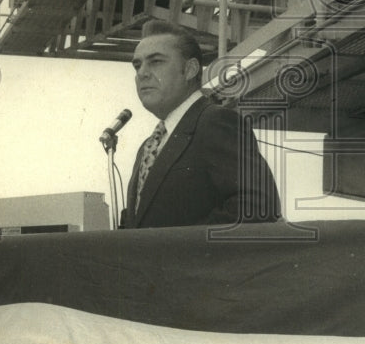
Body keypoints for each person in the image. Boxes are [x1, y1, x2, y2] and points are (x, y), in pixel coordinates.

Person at [119, 20, 281, 229]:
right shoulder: (148, 147)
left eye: (156, 62)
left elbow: (258, 207)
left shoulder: (215, 122)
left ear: (190, 69)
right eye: (137, 65)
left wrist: (179, 251)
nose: (142, 73)